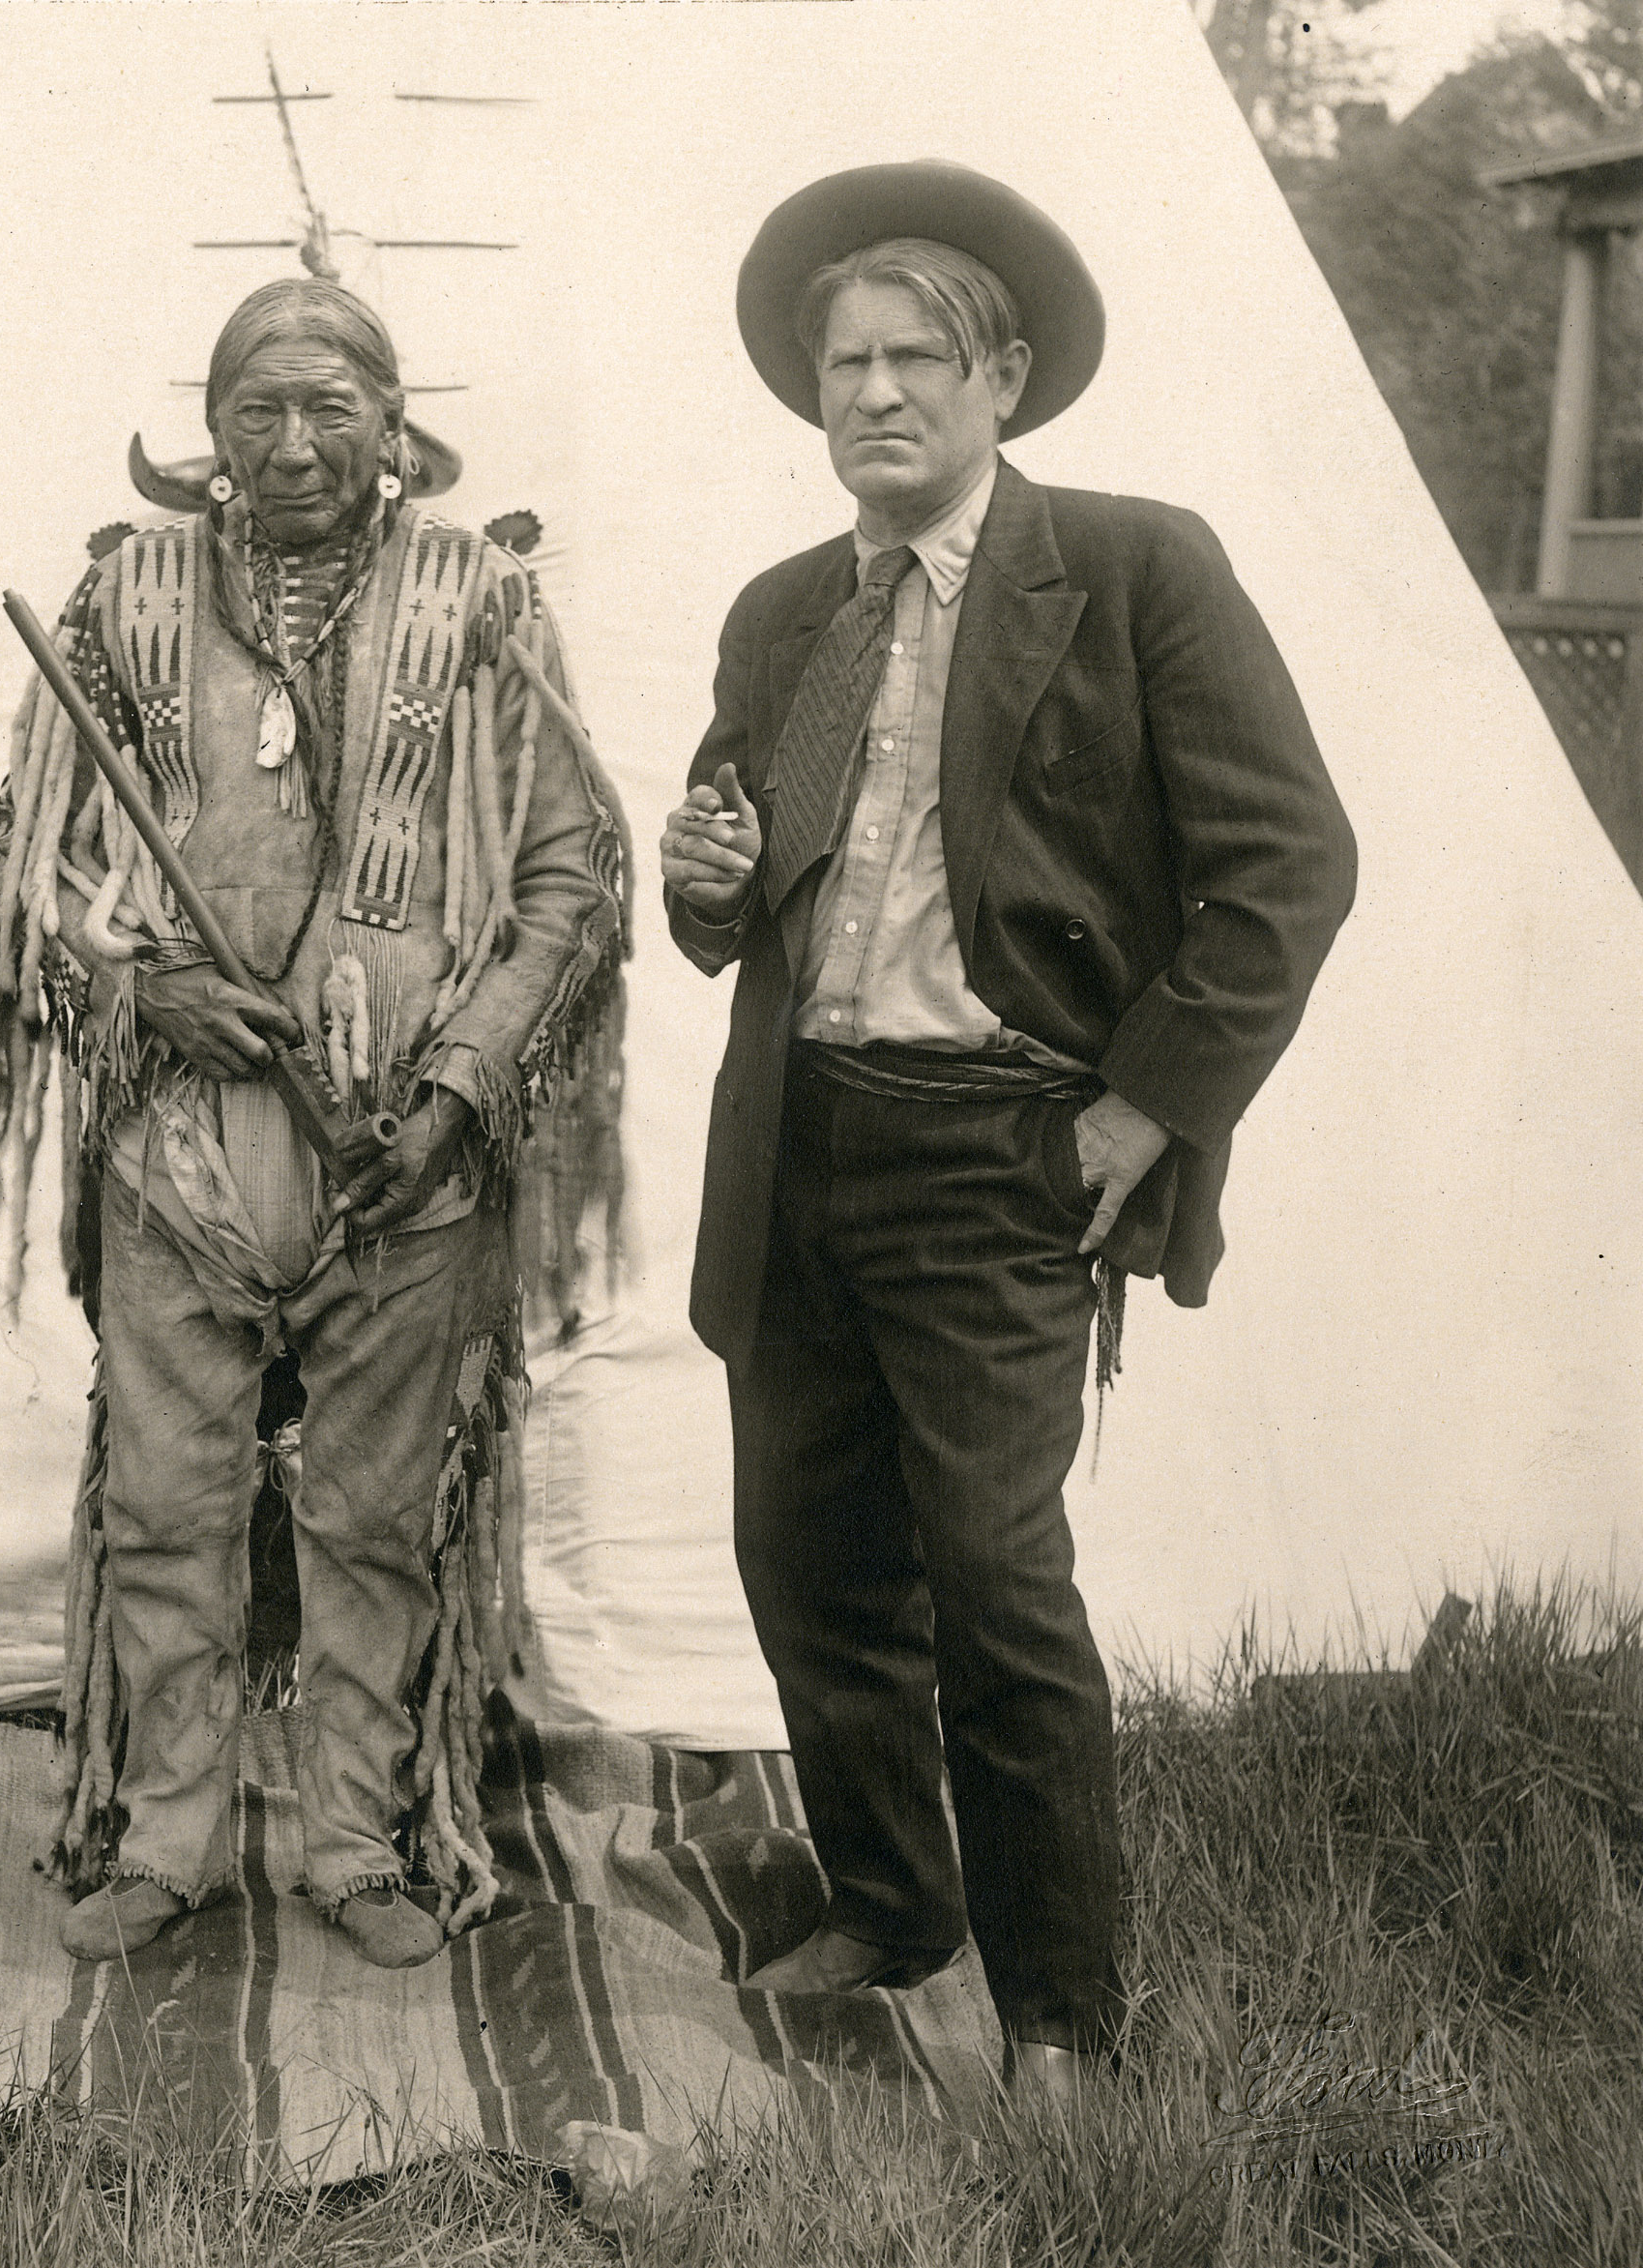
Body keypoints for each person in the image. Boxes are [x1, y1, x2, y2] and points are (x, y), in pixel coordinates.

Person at [662, 164, 1356, 2102]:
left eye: (914, 361)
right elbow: (740, 912)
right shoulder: (787, 609)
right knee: (810, 1562)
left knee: (995, 1578)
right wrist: (706, 877)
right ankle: (895, 1913)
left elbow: (1288, 865)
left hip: (1002, 1155)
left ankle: (1063, 2020)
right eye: (842, 365)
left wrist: (1144, 1107)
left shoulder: (1133, 571)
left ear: (1004, 380)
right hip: (800, 1146)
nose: (872, 395)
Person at [0, 278, 625, 1968]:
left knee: (374, 1515)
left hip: (401, 1150)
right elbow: (28, 854)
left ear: (395, 427)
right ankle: (169, 1827)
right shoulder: (125, 598)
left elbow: (566, 876)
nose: (293, 443)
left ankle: (361, 1834)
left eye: (331, 407)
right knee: (171, 1503)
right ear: (209, 432)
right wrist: (144, 991)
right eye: (255, 408)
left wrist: (466, 1082)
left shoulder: (482, 604)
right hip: (176, 1147)